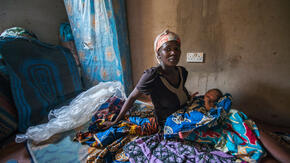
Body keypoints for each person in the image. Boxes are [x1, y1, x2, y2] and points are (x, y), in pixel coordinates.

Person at [102, 29, 194, 130]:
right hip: (169, 124)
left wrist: (188, 98)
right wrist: (116, 121)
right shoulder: (152, 76)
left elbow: (177, 94)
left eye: (177, 49)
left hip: (185, 114)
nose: (173, 53)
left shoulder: (182, 72)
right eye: (168, 49)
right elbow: (132, 97)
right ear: (158, 54)